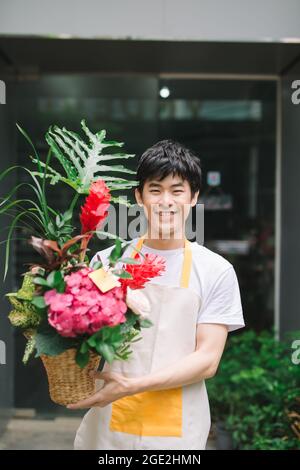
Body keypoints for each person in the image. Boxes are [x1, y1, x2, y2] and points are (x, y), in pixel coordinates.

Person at [71, 139, 245, 450]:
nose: (166, 200)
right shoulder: (106, 263)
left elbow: (207, 361)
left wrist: (132, 386)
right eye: (155, 189)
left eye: (177, 190)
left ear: (193, 198)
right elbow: (80, 336)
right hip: (112, 424)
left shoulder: (216, 271)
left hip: (179, 428)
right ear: (139, 196)